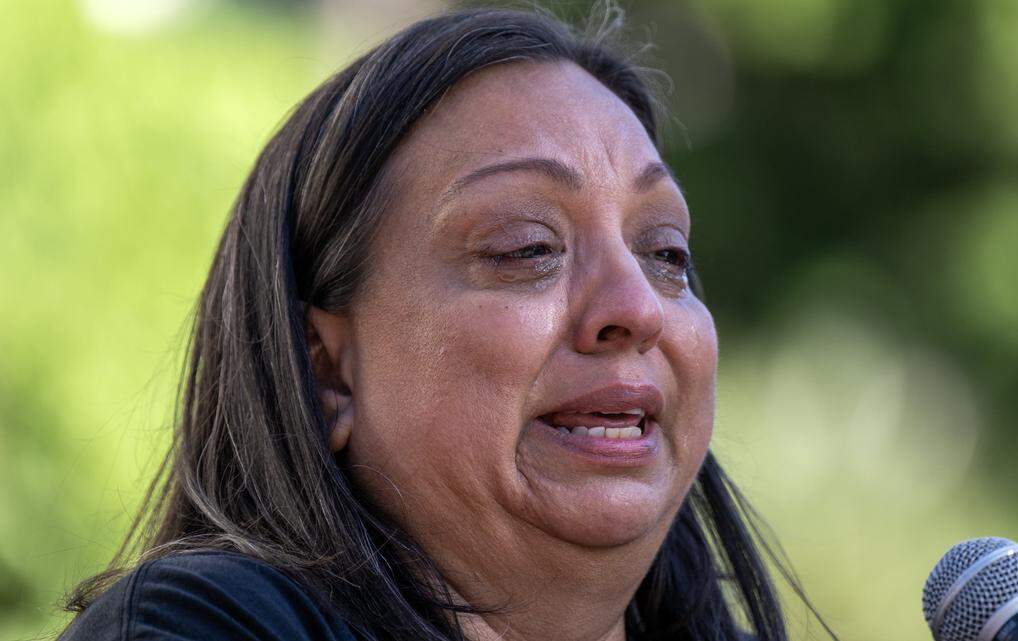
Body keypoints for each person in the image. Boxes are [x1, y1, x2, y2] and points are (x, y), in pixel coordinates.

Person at [60, 5, 833, 641]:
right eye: (527, 246)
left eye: (665, 252)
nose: (634, 309)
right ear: (324, 369)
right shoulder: (201, 625)